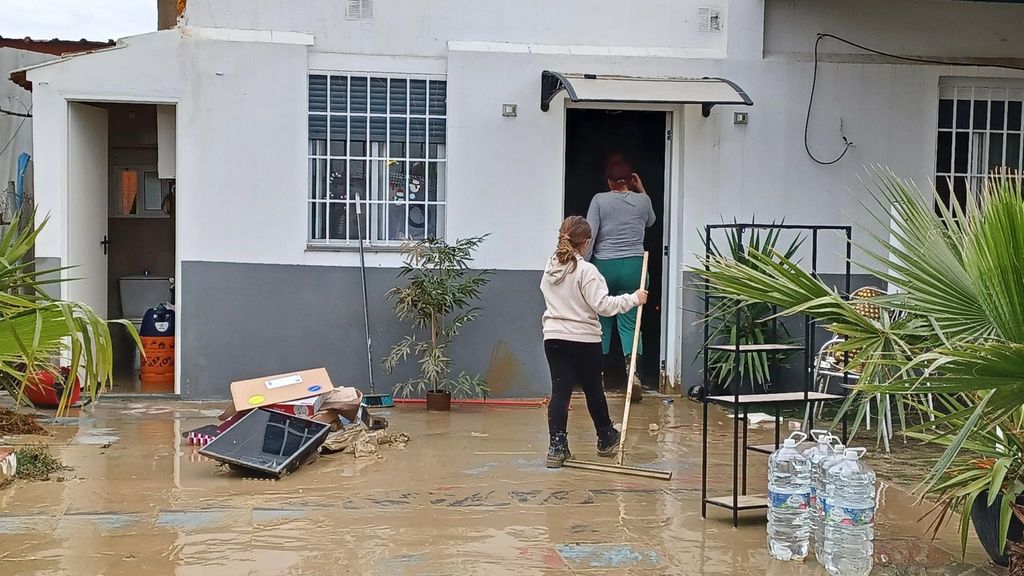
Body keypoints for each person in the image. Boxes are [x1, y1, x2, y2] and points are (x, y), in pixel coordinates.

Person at [540, 216, 648, 468]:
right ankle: (605, 437)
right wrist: (635, 298)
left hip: (554, 337)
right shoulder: (587, 271)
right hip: (583, 340)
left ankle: (557, 448)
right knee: (593, 389)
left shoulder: (550, 267)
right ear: (586, 242)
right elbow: (604, 306)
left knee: (560, 391)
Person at [586, 156, 656, 402]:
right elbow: (651, 221)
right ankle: (633, 372)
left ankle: (599, 376)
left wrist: (583, 264)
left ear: (608, 181)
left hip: (604, 265)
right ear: (629, 180)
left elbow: (590, 234)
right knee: (630, 321)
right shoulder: (642, 201)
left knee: (601, 319)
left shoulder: (599, 200)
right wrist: (641, 189)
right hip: (635, 265)